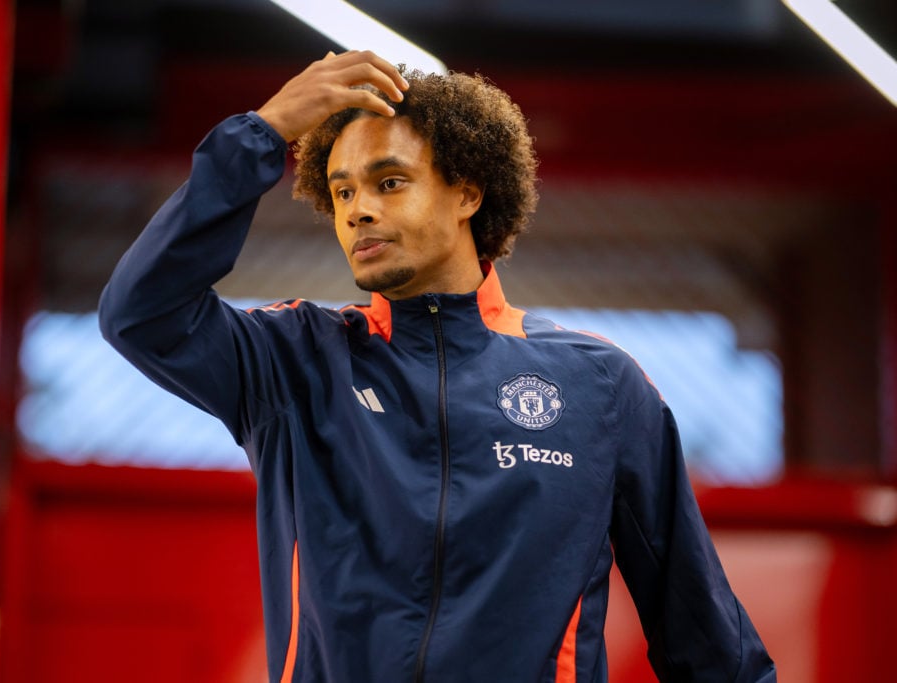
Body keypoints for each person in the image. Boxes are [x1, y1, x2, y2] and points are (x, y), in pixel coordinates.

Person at [99, 51, 775, 683]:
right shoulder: (293, 361)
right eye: (341, 193)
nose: (359, 209)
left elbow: (706, 636)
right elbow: (141, 312)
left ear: (468, 193)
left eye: (389, 182)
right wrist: (261, 134)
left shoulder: (599, 387)